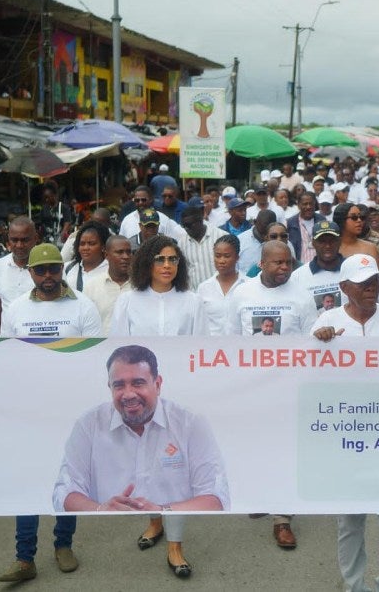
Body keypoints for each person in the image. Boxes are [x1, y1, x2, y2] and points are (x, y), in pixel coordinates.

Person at [53, 345, 228, 579]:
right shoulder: (89, 424)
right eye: (119, 385)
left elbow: (216, 496)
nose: (128, 394)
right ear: (109, 387)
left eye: (138, 383)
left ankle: (174, 547)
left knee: (173, 489)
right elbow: (64, 490)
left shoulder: (190, 422)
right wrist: (99, 509)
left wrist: (164, 509)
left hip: (173, 503)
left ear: (157, 384)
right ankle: (156, 524)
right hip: (111, 564)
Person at [311, 255, 379, 592]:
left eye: (375, 280)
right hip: (346, 439)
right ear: (345, 288)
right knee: (350, 521)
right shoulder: (325, 322)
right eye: (362, 283)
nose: (372, 287)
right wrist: (317, 345)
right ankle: (354, 586)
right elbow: (307, 378)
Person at [0, 243, 101, 582]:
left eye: (53, 269)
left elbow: (95, 359)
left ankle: (63, 544)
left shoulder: (83, 307)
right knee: (28, 480)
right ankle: (24, 557)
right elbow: (5, 359)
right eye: (40, 271)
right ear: (30, 273)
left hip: (71, 412)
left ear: (62, 270)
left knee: (68, 480)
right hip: (29, 412)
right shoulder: (16, 310)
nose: (47, 277)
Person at [108, 235, 205, 571]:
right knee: (145, 462)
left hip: (179, 397)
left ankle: (175, 545)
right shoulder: (129, 301)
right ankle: (155, 521)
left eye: (173, 260)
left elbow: (200, 350)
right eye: (160, 259)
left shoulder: (192, 301)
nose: (167, 266)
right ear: (147, 262)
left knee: (176, 468)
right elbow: (118, 350)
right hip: (140, 398)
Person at [226, 239, 317, 549]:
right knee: (257, 446)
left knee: (285, 450)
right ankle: (261, 496)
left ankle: (283, 519)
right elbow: (230, 342)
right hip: (251, 387)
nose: (284, 268)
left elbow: (312, 345)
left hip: (288, 388)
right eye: (278, 263)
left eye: (288, 263)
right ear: (261, 264)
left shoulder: (302, 297)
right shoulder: (242, 293)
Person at [0, 217, 40, 335]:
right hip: (7, 343)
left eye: (25, 240)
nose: (19, 245)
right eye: (14, 240)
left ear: (35, 238)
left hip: (38, 342)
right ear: (8, 240)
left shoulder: (49, 268)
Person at [289, 220, 347, 312]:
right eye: (322, 241)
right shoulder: (298, 277)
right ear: (313, 243)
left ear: (340, 241)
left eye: (332, 241)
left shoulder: (352, 269)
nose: (327, 246)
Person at [81, 235, 133, 332]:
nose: (125, 257)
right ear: (106, 255)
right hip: (101, 345)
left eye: (129, 252)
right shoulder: (92, 286)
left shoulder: (141, 286)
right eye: (119, 252)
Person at [197, 235, 244, 336]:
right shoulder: (204, 288)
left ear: (237, 257)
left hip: (241, 348)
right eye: (217, 256)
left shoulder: (248, 286)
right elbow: (200, 324)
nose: (221, 261)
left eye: (227, 256)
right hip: (212, 349)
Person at [177, 197, 227, 290]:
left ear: (200, 221)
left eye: (189, 225)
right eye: (184, 226)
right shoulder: (182, 243)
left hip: (219, 293)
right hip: (195, 296)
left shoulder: (221, 237)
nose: (186, 229)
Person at [63, 221, 109, 292]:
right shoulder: (67, 268)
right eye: (82, 244)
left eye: (91, 244)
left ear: (103, 247)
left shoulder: (111, 270)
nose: (86, 248)